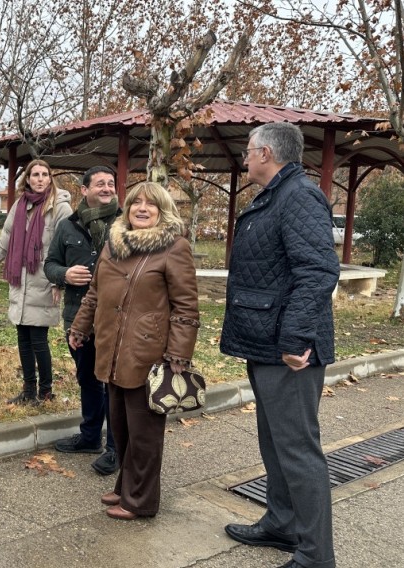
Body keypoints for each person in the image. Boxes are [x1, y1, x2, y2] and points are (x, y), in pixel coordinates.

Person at [220, 122, 339, 568]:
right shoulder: (277, 196)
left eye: (249, 151)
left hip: (290, 352)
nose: (245, 159)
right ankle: (282, 523)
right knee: (275, 444)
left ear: (266, 153)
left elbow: (318, 273)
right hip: (267, 345)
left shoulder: (299, 196)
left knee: (297, 450)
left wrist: (293, 339)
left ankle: (315, 556)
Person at [68, 181, 199, 520]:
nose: (142, 208)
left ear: (162, 209)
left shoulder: (175, 247)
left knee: (144, 434)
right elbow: (95, 293)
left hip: (149, 355)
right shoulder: (114, 245)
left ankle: (141, 500)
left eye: (150, 204)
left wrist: (178, 356)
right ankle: (126, 486)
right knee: (122, 428)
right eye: (135, 202)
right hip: (112, 351)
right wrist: (80, 327)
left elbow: (186, 307)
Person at [44, 166, 121, 476]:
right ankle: (90, 437)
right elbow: (49, 264)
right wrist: (64, 275)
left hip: (115, 319)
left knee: (115, 383)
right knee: (88, 379)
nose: (106, 188)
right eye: (100, 183)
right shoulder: (68, 226)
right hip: (78, 317)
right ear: (84, 190)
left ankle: (116, 448)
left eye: (111, 183)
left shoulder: (126, 224)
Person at [0, 159, 72, 404]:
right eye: (35, 175)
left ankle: (46, 391)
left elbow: (65, 248)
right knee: (23, 338)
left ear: (50, 178)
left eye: (44, 174)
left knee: (39, 339)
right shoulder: (20, 205)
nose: (40, 179)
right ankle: (28, 391)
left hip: (44, 280)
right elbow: (5, 240)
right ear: (27, 179)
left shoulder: (60, 208)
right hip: (20, 281)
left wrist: (58, 282)